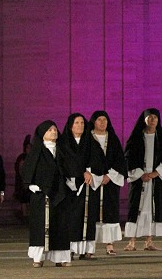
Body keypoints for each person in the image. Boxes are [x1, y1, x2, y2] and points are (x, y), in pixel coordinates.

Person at [21, 121, 77, 267]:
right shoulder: (36, 152)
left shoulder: (62, 150)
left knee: (60, 224)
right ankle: (38, 258)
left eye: (55, 129)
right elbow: (27, 171)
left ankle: (60, 257)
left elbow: (71, 168)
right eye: (50, 130)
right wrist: (32, 185)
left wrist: (70, 182)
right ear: (42, 133)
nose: (54, 132)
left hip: (60, 194)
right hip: (41, 195)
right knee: (40, 226)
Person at [124, 108, 162, 251]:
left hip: (155, 179)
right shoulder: (136, 138)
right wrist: (141, 174)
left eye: (155, 117)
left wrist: (155, 173)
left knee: (153, 208)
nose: (152, 120)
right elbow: (128, 158)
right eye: (150, 117)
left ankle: (149, 241)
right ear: (144, 119)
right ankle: (132, 241)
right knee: (136, 208)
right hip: (139, 178)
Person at [63, 113, 105, 260]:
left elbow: (99, 161)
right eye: (76, 123)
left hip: (89, 185)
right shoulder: (64, 143)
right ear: (70, 126)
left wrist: (90, 172)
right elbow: (64, 163)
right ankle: (70, 248)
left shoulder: (91, 142)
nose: (80, 125)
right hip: (71, 187)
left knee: (89, 216)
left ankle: (87, 249)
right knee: (73, 217)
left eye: (82, 123)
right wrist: (81, 172)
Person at [89, 111, 126, 256]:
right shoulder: (88, 138)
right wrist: (95, 176)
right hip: (92, 180)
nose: (102, 122)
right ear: (94, 122)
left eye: (105, 119)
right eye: (99, 119)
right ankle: (90, 246)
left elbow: (119, 160)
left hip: (110, 181)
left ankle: (109, 244)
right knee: (91, 212)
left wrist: (109, 176)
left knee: (110, 211)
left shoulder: (113, 139)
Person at [13, 136, 32, 224]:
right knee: (24, 200)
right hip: (24, 183)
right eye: (28, 147)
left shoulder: (32, 157)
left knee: (29, 200)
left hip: (31, 183)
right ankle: (25, 217)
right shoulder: (22, 158)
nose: (29, 149)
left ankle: (29, 217)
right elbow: (20, 170)